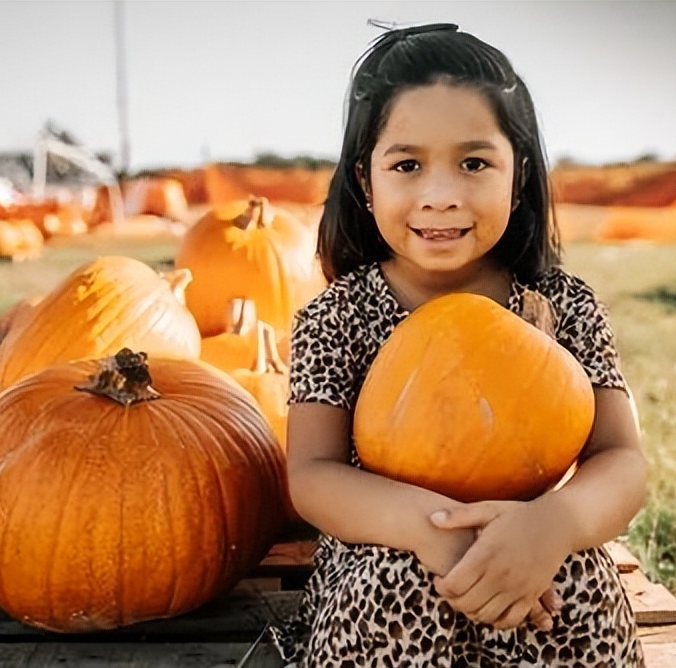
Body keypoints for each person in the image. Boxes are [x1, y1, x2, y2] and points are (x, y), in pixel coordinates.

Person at [269, 22, 648, 667]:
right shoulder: (340, 315)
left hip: (527, 544)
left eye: (474, 163)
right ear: (366, 181)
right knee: (398, 582)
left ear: (519, 173)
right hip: (389, 545)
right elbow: (312, 475)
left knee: (578, 583)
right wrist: (429, 531)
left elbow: (622, 461)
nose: (440, 195)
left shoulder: (565, 306)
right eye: (407, 165)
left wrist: (551, 528)